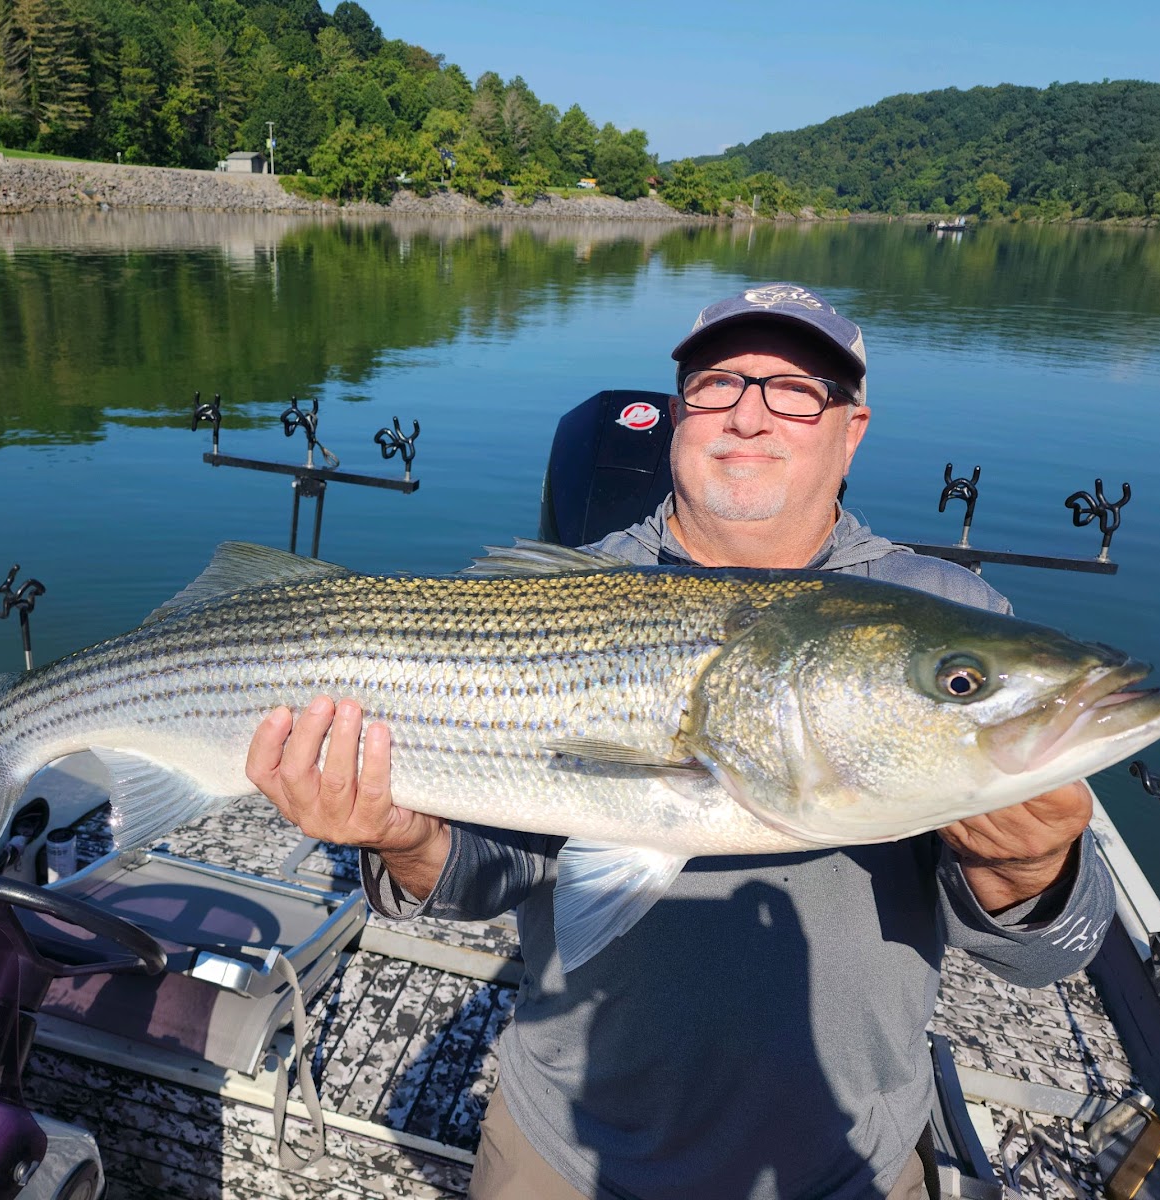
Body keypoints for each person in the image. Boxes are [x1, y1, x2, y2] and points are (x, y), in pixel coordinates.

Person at [245, 283, 1114, 1200]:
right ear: (676, 416)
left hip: (842, 1160)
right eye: (717, 385)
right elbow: (495, 870)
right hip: (567, 1150)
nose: (749, 416)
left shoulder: (949, 620)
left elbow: (1051, 955)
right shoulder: (581, 587)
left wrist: (1029, 875)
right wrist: (402, 837)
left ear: (851, 428)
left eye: (796, 391)